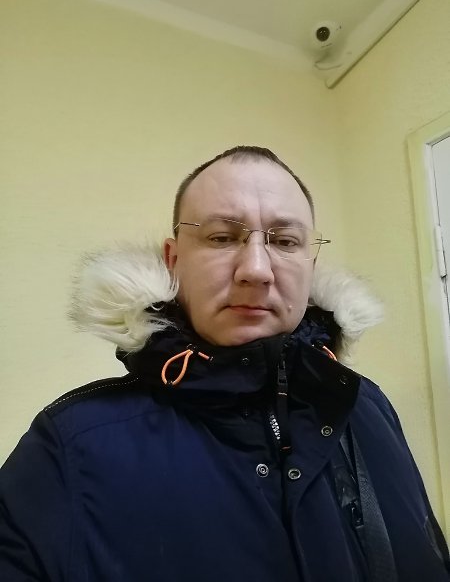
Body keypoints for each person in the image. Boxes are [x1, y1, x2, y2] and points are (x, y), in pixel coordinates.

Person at [0, 146, 449, 581]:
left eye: (285, 241)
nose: (256, 270)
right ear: (173, 260)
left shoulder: (366, 405)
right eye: (221, 237)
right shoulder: (72, 443)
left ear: (310, 264)